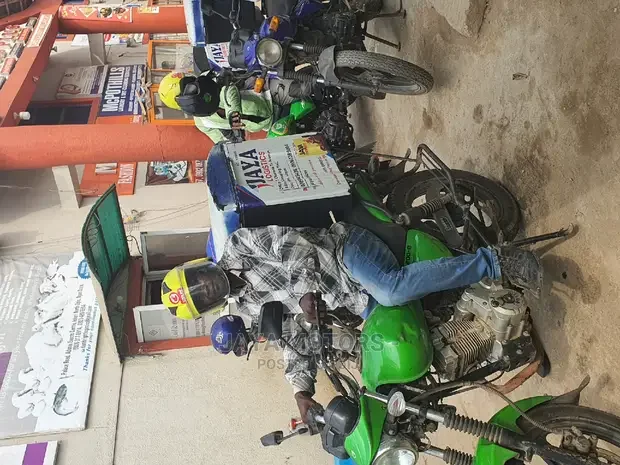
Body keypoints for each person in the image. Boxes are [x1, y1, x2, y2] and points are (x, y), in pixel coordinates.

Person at [161, 224, 541, 421]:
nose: (206, 287)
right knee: (389, 362)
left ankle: (496, 261)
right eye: (201, 296)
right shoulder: (248, 310)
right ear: (209, 307)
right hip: (355, 302)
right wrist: (301, 392)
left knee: (392, 289)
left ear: (198, 267)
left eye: (198, 281)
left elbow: (290, 245)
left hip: (344, 251)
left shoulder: (238, 246)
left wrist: (306, 292)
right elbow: (292, 342)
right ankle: (504, 344)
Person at [158, 71, 308, 143]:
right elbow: (223, 141)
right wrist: (232, 146)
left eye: (188, 81)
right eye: (187, 87)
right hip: (270, 124)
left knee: (303, 88)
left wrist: (233, 112)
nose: (193, 86)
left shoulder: (208, 78)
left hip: (269, 93)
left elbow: (230, 89)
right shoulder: (203, 122)